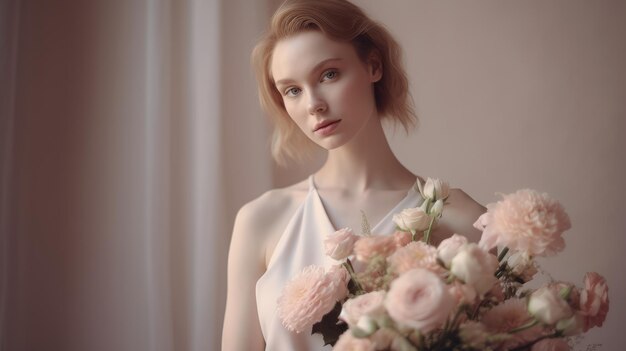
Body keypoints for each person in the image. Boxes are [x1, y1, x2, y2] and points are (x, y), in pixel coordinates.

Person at [222, 0, 485, 349]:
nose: (313, 103)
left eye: (328, 74)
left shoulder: (457, 217)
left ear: (373, 65)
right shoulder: (262, 220)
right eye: (293, 90)